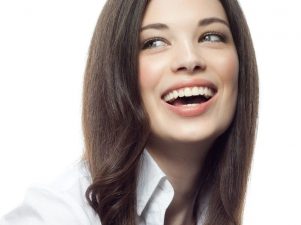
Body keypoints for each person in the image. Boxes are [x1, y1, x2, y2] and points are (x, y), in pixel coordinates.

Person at [0, 0, 258, 224]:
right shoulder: (57, 215)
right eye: (154, 42)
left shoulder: (212, 211)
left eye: (211, 36)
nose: (190, 59)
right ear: (118, 73)